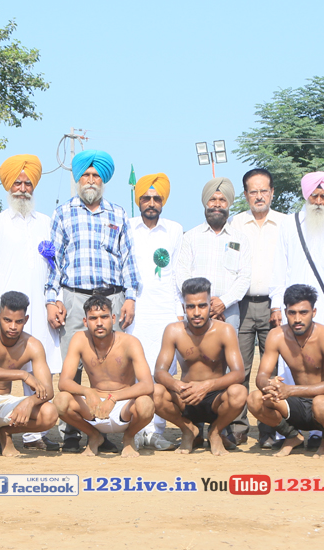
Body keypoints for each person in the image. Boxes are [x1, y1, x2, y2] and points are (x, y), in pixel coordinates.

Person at [45, 149, 140, 452]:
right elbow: (54, 261)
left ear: (103, 180)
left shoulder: (118, 214)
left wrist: (131, 297)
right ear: (78, 179)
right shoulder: (63, 213)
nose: (90, 180)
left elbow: (128, 258)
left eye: (95, 175)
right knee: (72, 367)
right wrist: (51, 299)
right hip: (74, 298)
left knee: (115, 366)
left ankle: (113, 426)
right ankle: (73, 432)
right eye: (85, 175)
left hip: (112, 297)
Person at [0, 154, 62, 450]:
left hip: (38, 308)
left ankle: (33, 434)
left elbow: (56, 269)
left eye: (28, 184)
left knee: (39, 369)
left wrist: (56, 300)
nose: (23, 189)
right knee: (2, 374)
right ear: (8, 186)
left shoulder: (48, 223)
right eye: (17, 183)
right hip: (5, 312)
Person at [173, 177, 253, 443]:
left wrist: (223, 302)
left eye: (222, 200)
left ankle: (227, 427)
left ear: (229, 204)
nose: (217, 204)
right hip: (196, 311)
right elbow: (181, 274)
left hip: (228, 311)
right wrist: (203, 306)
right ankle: (194, 424)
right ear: (205, 203)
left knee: (228, 367)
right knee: (195, 362)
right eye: (212, 199)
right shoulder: (191, 237)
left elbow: (244, 276)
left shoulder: (240, 239)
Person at [153, 277, 249, 456]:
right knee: (155, 392)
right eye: (191, 307)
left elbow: (238, 373)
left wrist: (207, 386)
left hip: (215, 399)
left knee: (239, 392)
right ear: (184, 308)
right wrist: (178, 386)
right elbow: (159, 371)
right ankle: (188, 430)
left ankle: (215, 432)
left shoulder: (225, 330)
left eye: (202, 306)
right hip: (186, 395)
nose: (196, 312)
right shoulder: (173, 331)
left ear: (210, 306)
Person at [229, 167, 290, 448]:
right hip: (240, 305)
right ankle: (238, 427)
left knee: (272, 370)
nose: (259, 196)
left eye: (264, 190)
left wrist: (280, 305)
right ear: (245, 195)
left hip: (274, 306)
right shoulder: (235, 224)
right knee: (239, 368)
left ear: (272, 192)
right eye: (253, 191)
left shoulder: (285, 224)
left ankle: (269, 428)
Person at [54, 293, 155, 458]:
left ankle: (129, 438)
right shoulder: (79, 339)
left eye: (104, 317)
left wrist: (113, 398)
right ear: (85, 321)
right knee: (60, 400)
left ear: (113, 318)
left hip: (124, 407)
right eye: (93, 318)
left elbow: (147, 384)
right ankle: (94, 436)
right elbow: (64, 382)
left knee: (146, 403)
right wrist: (88, 392)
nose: (99, 323)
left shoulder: (130, 342)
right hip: (95, 407)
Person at [247, 284, 324, 457]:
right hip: (296, 404)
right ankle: (292, 436)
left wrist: (291, 390)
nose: (297, 319)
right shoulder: (276, 335)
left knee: (321, 404)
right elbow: (261, 375)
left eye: (303, 312)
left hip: (323, 404)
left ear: (314, 312)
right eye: (292, 313)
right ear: (285, 312)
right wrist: (269, 384)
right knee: (254, 399)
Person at [0, 291, 60, 461]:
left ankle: (5, 431)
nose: (13, 326)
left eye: (19, 321)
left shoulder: (32, 345)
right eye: (7, 320)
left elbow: (48, 390)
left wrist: (30, 402)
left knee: (50, 413)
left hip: (3, 405)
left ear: (26, 320)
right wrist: (22, 374)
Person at [127, 172, 183, 451]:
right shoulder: (127, 227)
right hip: (135, 312)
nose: (151, 203)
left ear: (163, 202)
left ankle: (156, 431)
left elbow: (177, 273)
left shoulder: (175, 230)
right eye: (146, 198)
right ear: (138, 201)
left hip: (165, 312)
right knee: (135, 372)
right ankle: (136, 429)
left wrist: (179, 313)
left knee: (163, 372)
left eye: (156, 198)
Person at [272, 171, 324, 331]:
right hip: (293, 308)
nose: (318, 201)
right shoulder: (289, 224)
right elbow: (279, 269)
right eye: (314, 196)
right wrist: (276, 306)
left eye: (323, 196)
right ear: (307, 196)